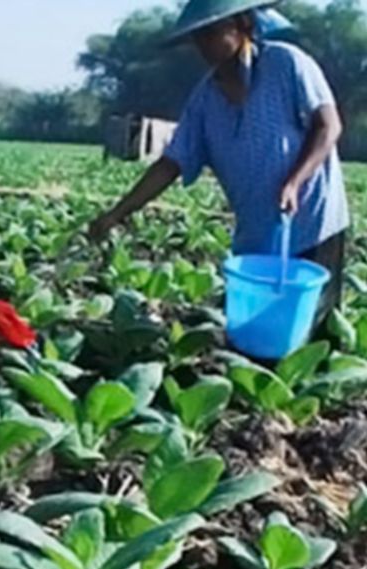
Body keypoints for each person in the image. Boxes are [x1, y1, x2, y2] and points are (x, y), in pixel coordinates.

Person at [88, 0, 350, 330]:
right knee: (256, 335)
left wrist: (295, 181)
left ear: (243, 25)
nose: (204, 45)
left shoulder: (286, 63)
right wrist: (116, 213)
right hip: (256, 236)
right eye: (198, 37)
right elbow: (171, 164)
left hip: (313, 222)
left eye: (212, 32)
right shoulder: (205, 99)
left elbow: (328, 126)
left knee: (310, 332)